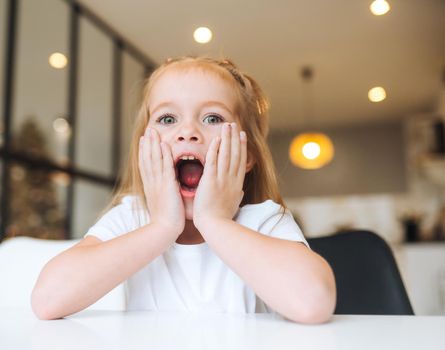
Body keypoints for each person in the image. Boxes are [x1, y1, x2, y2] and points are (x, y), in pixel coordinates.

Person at [31, 56, 336, 323]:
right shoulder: (131, 219)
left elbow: (313, 303)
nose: (188, 132)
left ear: (246, 157)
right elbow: (48, 300)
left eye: (212, 118)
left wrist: (215, 221)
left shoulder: (264, 220)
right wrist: (163, 226)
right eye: (167, 118)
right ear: (144, 150)